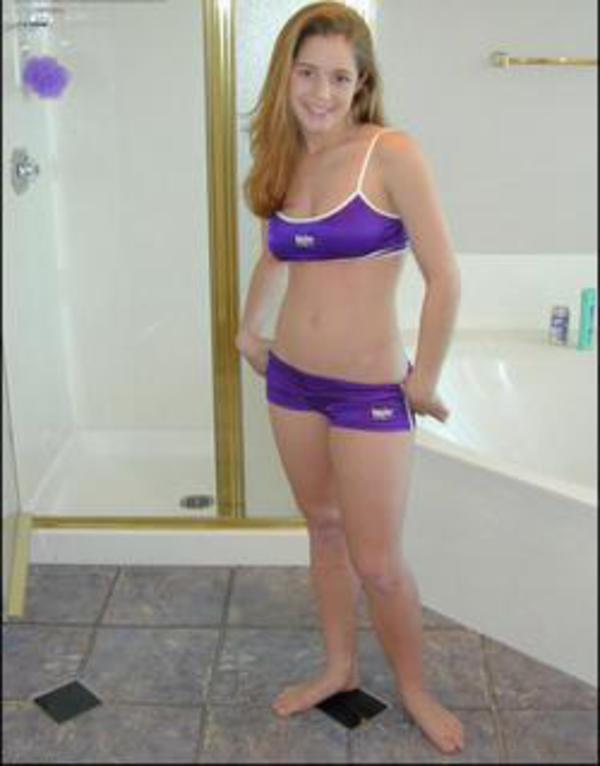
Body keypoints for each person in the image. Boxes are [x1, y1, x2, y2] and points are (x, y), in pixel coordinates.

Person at [236, 1, 463, 756]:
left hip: (370, 394)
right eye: (307, 73)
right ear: (286, 76)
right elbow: (275, 253)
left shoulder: (389, 153)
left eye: (339, 77)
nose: (321, 92)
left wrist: (425, 378)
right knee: (324, 529)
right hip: (292, 384)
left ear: (362, 82)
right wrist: (247, 330)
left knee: (378, 563)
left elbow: (445, 277)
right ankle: (338, 666)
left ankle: (416, 689)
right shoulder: (283, 159)